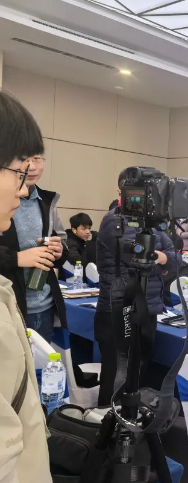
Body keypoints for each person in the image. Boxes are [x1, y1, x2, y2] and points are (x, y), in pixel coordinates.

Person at [0, 91, 52, 482]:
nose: (22, 188)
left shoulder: (46, 202)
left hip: (38, 299)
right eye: (19, 169)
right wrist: (19, 259)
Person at [94, 171, 178, 405]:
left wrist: (161, 258)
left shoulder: (154, 224)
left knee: (140, 371)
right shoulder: (114, 220)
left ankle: (133, 419)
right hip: (119, 308)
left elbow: (175, 259)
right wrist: (160, 259)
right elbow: (138, 260)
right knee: (119, 375)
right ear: (122, 192)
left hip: (147, 309)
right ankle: (110, 418)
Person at [0, 144, 68, 344]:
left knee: (43, 360)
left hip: (44, 304)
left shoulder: (46, 201)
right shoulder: (4, 200)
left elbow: (62, 243)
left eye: (37, 159)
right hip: (10, 305)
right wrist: (16, 258)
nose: (32, 166)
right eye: (25, 159)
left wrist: (59, 250)